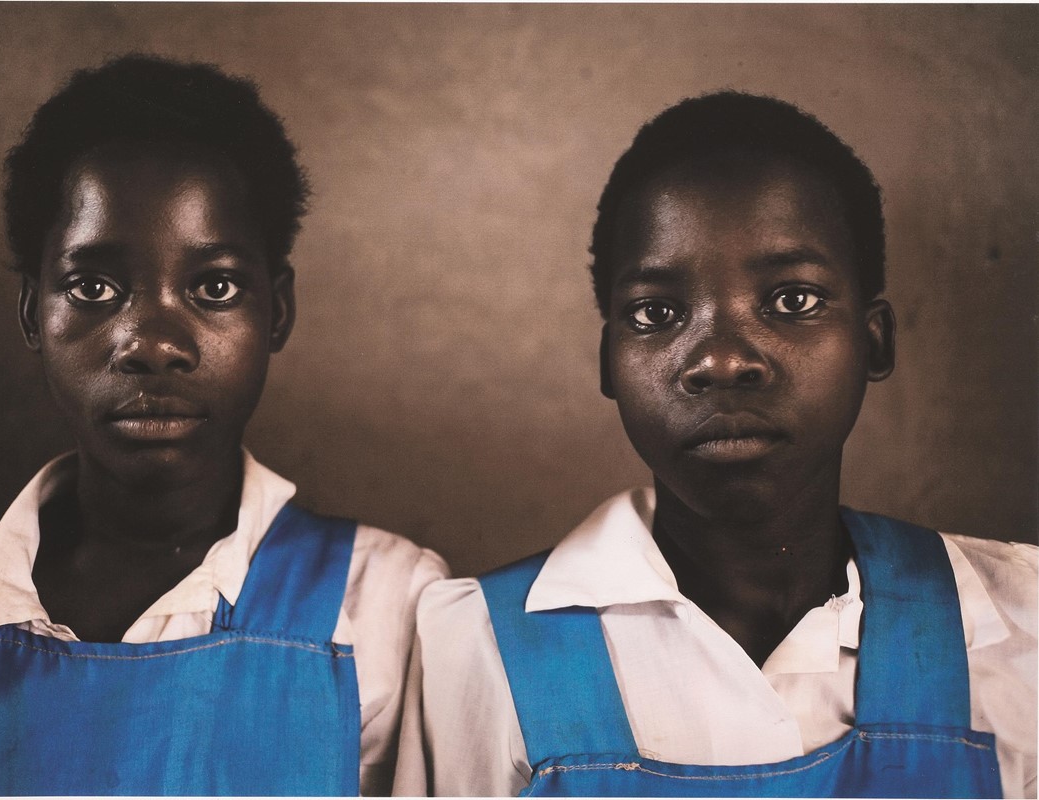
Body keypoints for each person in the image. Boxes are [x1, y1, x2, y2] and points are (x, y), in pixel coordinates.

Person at [395, 92, 1036, 797]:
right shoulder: (477, 642)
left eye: (792, 300)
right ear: (608, 363)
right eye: (656, 312)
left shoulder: (1021, 620)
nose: (723, 360)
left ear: (874, 341)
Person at [0, 54, 447, 797]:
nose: (153, 343)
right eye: (94, 286)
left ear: (278, 311)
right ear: (32, 313)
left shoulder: (388, 605)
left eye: (215, 286)